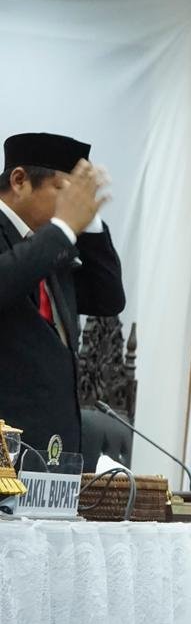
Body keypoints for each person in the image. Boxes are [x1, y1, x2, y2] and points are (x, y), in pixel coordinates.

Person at [0, 132, 123, 457]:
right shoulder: (51, 239)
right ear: (19, 181)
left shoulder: (49, 243)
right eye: (63, 190)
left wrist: (89, 220)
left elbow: (107, 298)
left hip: (54, 446)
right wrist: (64, 228)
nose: (71, 205)